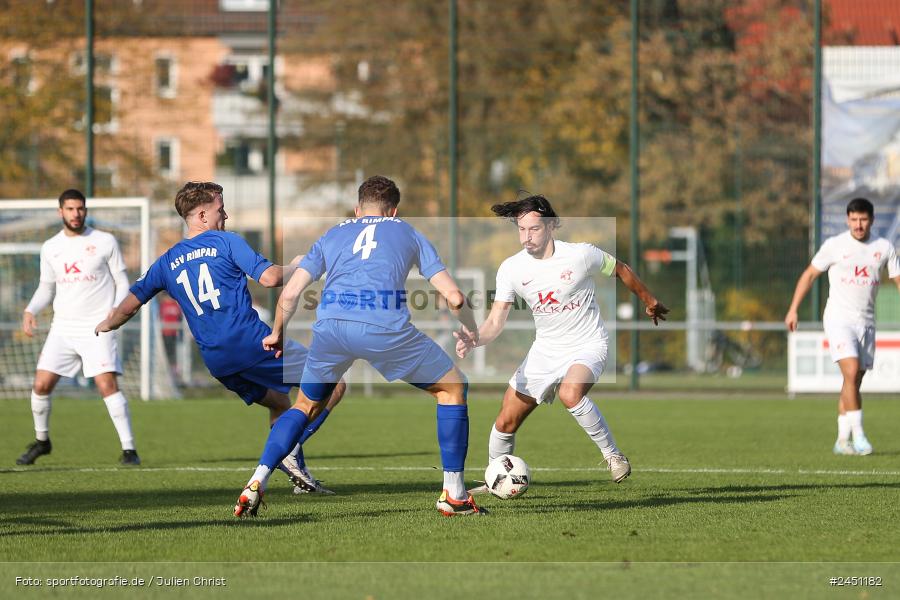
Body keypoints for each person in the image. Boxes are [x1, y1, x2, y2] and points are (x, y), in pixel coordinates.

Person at [234, 175, 485, 517]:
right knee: (453, 388)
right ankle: (454, 493)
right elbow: (455, 297)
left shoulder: (334, 233)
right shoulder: (408, 232)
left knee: (305, 404)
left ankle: (257, 480)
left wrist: (277, 331)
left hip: (331, 329)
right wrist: (471, 330)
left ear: (357, 208)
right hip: (384, 328)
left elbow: (290, 292)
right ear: (394, 210)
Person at [95, 181, 344, 492]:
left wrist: (107, 324)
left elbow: (129, 306)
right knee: (334, 384)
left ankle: (299, 477)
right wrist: (299, 266)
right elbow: (270, 279)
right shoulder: (226, 242)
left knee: (281, 403)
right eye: (220, 210)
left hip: (217, 360)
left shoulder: (166, 262)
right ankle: (287, 452)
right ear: (202, 215)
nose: (225, 216)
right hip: (252, 343)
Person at [455, 195, 669, 489]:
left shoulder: (581, 255)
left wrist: (650, 300)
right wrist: (475, 337)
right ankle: (497, 479)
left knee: (571, 393)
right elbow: (495, 322)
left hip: (588, 344)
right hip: (544, 351)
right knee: (505, 423)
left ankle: (613, 456)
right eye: (521, 229)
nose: (526, 237)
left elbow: (620, 269)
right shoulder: (511, 269)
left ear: (551, 226)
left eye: (534, 229)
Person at [18, 188, 140, 466]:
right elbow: (46, 287)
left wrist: (117, 308)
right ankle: (42, 441)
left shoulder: (105, 241)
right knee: (41, 384)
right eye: (70, 209)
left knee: (106, 384)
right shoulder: (50, 247)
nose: (76, 214)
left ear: (86, 210)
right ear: (60, 211)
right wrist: (30, 310)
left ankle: (130, 450)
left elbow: (122, 281)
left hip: (97, 327)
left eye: (80, 208)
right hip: (62, 327)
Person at [785, 197, 900, 456]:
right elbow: (809, 275)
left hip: (866, 322)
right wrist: (793, 309)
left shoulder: (883, 247)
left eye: (863, 219)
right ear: (847, 220)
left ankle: (841, 439)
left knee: (853, 382)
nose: (858, 225)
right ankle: (859, 435)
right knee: (850, 371)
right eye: (854, 219)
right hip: (838, 319)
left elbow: (897, 279)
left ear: (871, 220)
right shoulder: (835, 245)